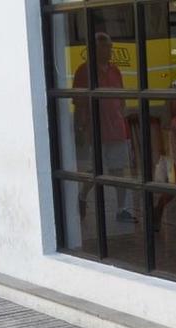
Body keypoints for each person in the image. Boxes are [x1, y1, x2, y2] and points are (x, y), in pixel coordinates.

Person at [73, 32, 134, 223]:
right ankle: (82, 196)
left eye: (110, 46)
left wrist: (122, 120)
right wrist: (81, 129)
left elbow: (121, 99)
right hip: (96, 130)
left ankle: (121, 209)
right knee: (94, 171)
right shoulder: (84, 71)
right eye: (104, 46)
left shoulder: (115, 71)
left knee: (118, 171)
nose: (109, 50)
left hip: (116, 129)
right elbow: (79, 103)